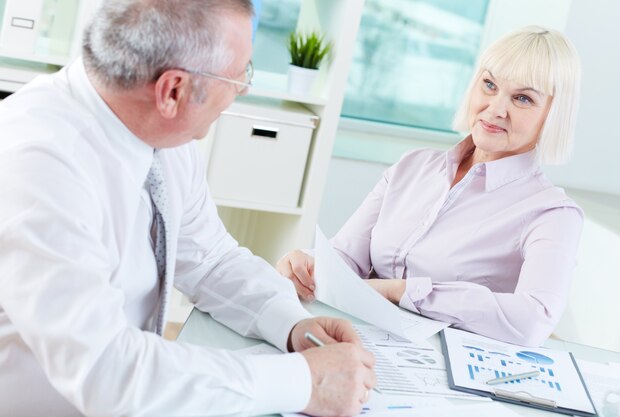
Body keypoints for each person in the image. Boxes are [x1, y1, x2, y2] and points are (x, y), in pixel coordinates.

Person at [0, 1, 376, 416]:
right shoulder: (38, 166)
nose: (243, 89)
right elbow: (108, 371)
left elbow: (209, 259)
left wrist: (291, 324)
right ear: (173, 90)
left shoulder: (160, 135)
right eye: (238, 75)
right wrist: (306, 381)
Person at [277, 26, 584, 348]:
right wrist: (308, 266)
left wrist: (401, 290)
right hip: (359, 338)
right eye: (489, 85)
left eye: (523, 98)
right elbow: (345, 257)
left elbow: (533, 320)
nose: (495, 108)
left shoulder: (552, 213)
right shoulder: (413, 166)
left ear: (554, 114)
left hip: (446, 364)